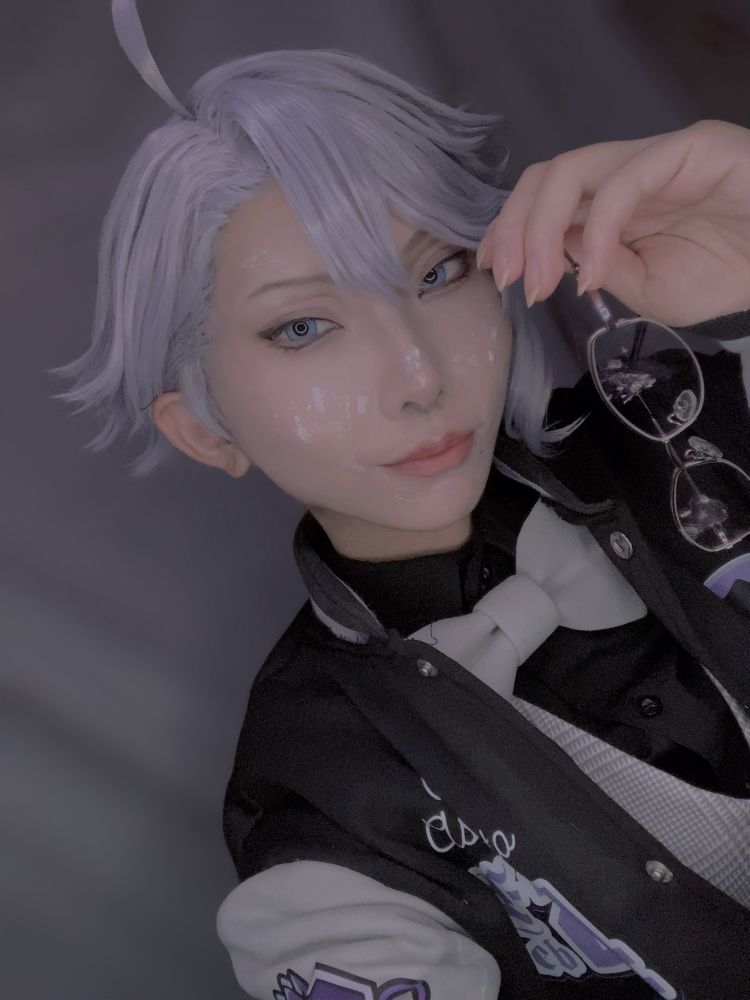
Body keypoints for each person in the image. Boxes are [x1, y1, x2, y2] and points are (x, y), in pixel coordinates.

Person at [56, 3, 750, 997]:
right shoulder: (322, 800)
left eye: (436, 271)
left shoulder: (694, 417)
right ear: (203, 428)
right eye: (302, 327)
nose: (418, 375)